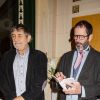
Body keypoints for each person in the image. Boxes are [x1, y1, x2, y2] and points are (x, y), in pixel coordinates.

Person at [51, 20, 100, 100]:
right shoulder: (65, 57)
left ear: (90, 37)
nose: (77, 40)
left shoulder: (98, 58)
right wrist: (58, 81)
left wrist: (81, 90)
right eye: (75, 36)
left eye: (81, 37)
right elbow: (53, 84)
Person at [0, 24, 47, 100]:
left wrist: (23, 98)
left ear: (28, 38)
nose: (16, 39)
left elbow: (40, 81)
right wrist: (12, 98)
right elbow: (2, 80)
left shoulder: (39, 56)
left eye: (19, 35)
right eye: (13, 36)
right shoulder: (6, 57)